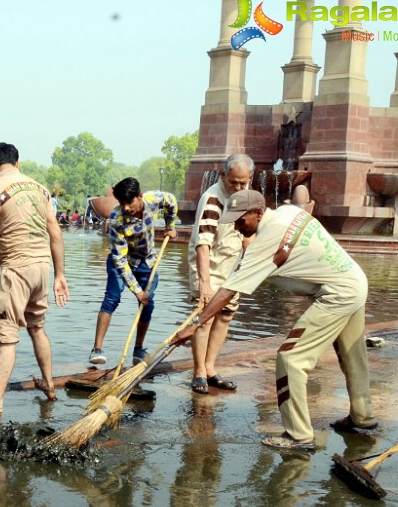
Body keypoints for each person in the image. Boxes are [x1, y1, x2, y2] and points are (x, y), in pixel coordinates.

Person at [171, 190, 376, 451]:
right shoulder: (288, 212)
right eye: (232, 221)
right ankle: (363, 417)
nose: (236, 226)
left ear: (258, 213)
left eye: (240, 220)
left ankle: (299, 434)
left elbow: (228, 291)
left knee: (291, 359)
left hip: (337, 294)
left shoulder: (267, 239)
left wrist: (196, 324)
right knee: (352, 354)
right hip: (354, 280)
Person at [0, 142, 69, 415]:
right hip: (42, 268)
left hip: (17, 269)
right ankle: (49, 386)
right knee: (37, 327)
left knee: (7, 336)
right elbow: (56, 233)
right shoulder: (40, 188)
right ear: (18, 163)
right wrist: (60, 274)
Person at [88, 178, 177, 368]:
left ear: (140, 196)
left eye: (130, 202)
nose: (126, 208)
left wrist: (170, 226)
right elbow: (120, 259)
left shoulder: (154, 199)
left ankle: (138, 349)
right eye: (122, 203)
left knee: (147, 304)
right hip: (121, 262)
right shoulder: (117, 218)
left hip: (146, 261)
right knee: (112, 298)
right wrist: (136, 290)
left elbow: (171, 201)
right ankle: (96, 349)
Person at [186, 153, 252, 394]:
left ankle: (211, 368)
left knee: (225, 316)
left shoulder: (247, 196)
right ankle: (199, 372)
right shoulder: (212, 198)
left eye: (242, 183)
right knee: (205, 318)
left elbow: (248, 232)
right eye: (233, 182)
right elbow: (203, 243)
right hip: (209, 266)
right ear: (223, 175)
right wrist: (204, 283)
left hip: (232, 267)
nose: (237, 187)